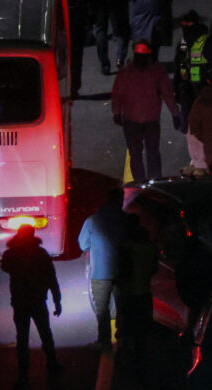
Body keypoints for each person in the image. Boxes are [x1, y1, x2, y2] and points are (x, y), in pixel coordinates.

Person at [0, 224, 63, 388]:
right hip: (38, 300)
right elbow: (51, 277)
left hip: (20, 301)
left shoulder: (11, 254)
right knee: (46, 334)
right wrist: (57, 300)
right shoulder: (41, 253)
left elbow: (4, 265)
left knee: (22, 339)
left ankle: (23, 376)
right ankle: (52, 365)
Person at [111, 40, 181, 181]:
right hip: (149, 120)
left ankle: (140, 183)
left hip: (135, 120)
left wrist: (117, 112)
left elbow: (118, 94)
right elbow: (167, 94)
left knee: (138, 154)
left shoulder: (127, 72)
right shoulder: (157, 71)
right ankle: (152, 183)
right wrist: (175, 113)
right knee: (150, 153)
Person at [113, 212, 158, 389]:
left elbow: (122, 273)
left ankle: (126, 363)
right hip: (144, 293)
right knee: (142, 331)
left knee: (125, 328)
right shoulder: (149, 246)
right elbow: (153, 268)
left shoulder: (125, 247)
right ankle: (141, 364)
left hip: (128, 294)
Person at [78, 188, 126, 351]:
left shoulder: (93, 220)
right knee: (122, 305)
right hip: (122, 270)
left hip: (100, 271)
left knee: (102, 308)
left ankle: (104, 340)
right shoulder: (126, 220)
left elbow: (83, 244)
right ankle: (123, 337)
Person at [62, 0, 94, 96]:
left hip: (62, 19)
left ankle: (61, 85)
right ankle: (74, 86)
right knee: (76, 55)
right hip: (78, 19)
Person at [173, 10, 209, 133]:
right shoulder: (183, 42)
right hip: (187, 83)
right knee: (187, 106)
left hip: (200, 83)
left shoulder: (204, 40)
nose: (185, 28)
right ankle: (187, 128)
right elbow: (178, 64)